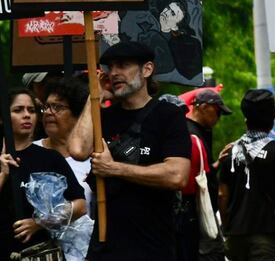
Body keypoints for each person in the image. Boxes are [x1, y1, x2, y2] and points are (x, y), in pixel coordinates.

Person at [68, 41, 191, 261]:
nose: (114, 73)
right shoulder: (104, 117)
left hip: (152, 246)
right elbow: (77, 150)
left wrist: (114, 169)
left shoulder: (168, 115)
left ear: (147, 69)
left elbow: (177, 175)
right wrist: (93, 97)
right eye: (110, 67)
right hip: (106, 245)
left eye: (123, 65)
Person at [0, 88, 86, 260]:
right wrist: (2, 176)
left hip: (40, 252)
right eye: (18, 110)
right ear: (1, 119)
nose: (27, 115)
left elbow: (80, 205)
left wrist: (40, 223)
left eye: (31, 110)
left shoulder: (50, 158)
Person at [218, 89, 275, 261]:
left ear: (246, 119)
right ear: (272, 120)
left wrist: (228, 227)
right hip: (265, 236)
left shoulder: (229, 152)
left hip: (235, 237)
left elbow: (222, 194)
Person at [183, 88, 232, 261]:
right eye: (217, 112)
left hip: (201, 214)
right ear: (203, 107)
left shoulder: (200, 132)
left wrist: (217, 163)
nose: (218, 118)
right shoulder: (189, 133)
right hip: (195, 214)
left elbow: (201, 170)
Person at [36, 77, 93, 211]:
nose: (49, 112)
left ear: (77, 114)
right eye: (46, 107)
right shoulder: (31, 152)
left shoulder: (95, 158)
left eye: (58, 107)